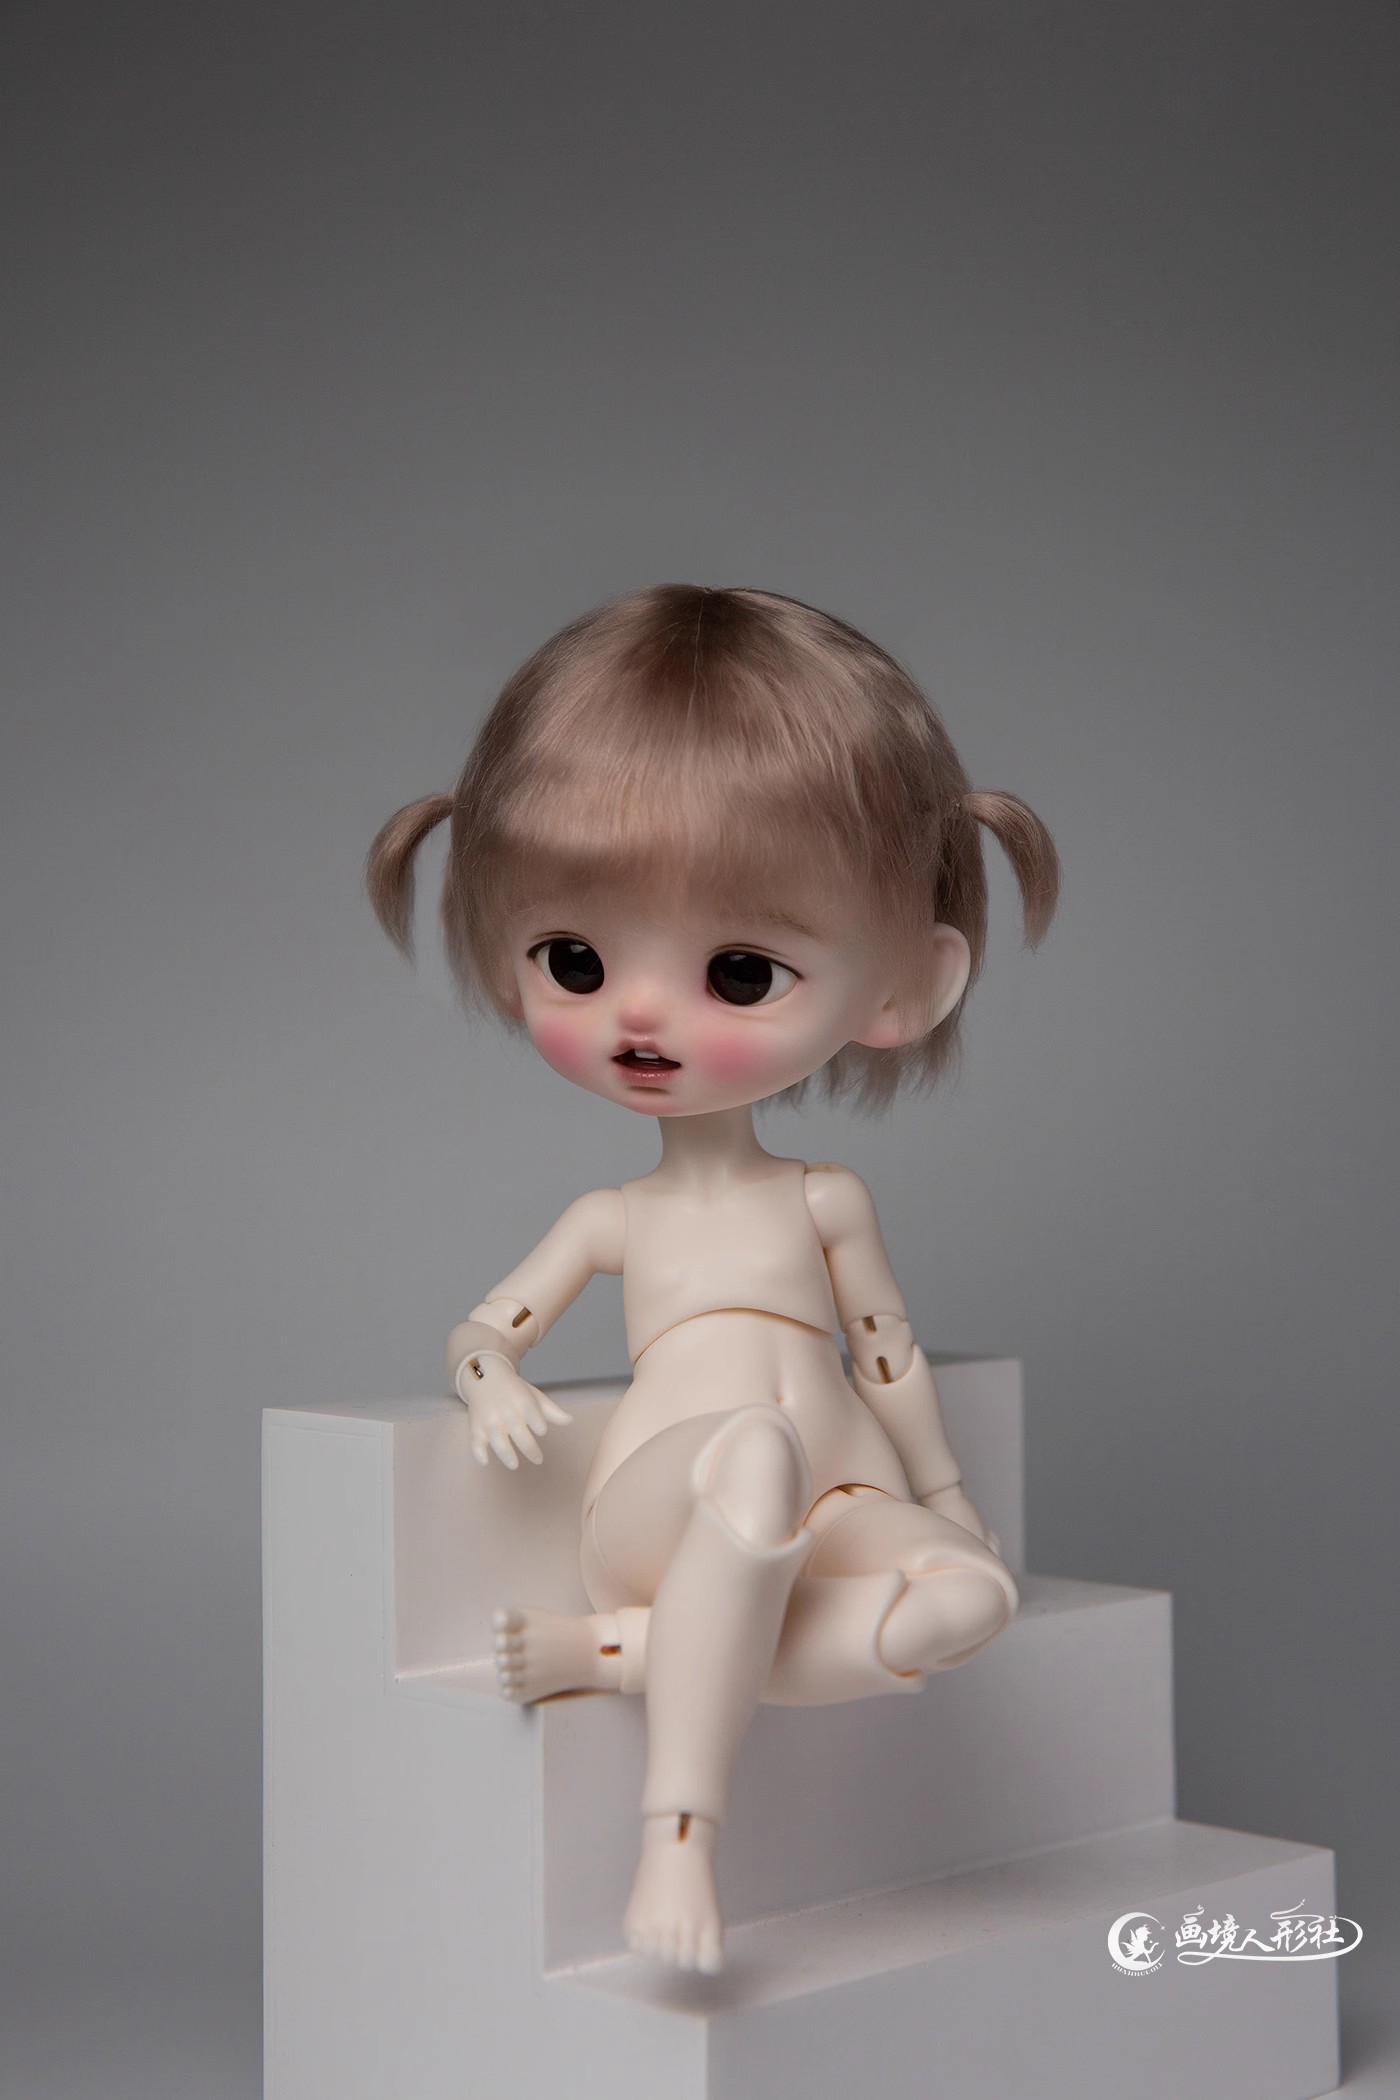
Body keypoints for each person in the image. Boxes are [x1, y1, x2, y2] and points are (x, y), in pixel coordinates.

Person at [366, 583, 1059, 1975]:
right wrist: (489, 1377)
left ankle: (624, 1654)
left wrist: (944, 1501)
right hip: (667, 1500)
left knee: (971, 1600)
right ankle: (679, 1837)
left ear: (906, 989)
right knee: (750, 1452)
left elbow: (887, 1355)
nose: (639, 1012)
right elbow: (484, 1328)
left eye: (739, 971)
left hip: (840, 1496)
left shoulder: (824, 1200)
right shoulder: (613, 1218)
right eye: (575, 957)